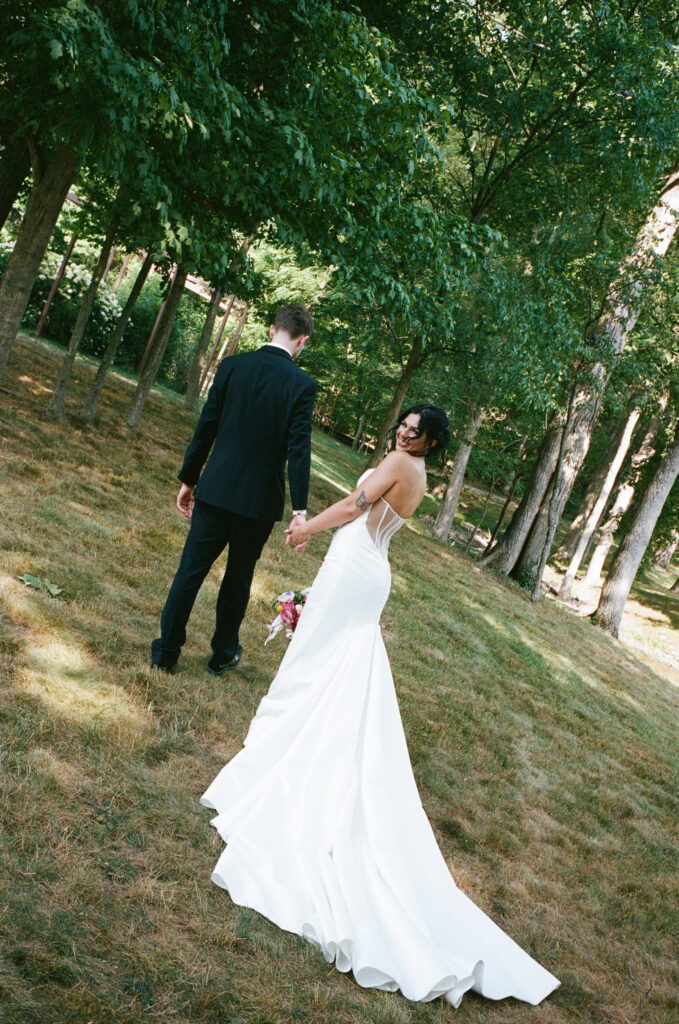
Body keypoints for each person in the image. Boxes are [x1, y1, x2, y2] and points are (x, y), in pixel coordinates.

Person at [200, 403, 560, 1009]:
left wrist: (304, 528)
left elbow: (354, 508)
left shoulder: (402, 464)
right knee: (324, 670)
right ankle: (295, 753)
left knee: (315, 668)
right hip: (365, 568)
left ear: (430, 441)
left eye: (415, 429)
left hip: (355, 565)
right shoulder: (415, 471)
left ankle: (294, 772)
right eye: (403, 422)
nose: (402, 430)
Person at [151, 304, 316, 674]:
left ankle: (165, 654)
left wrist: (189, 480)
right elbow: (298, 452)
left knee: (190, 571)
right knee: (239, 578)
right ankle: (223, 653)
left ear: (272, 329)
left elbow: (205, 428)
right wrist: (300, 511)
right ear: (302, 341)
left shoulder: (231, 366)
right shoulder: (302, 386)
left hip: (216, 488)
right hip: (258, 503)